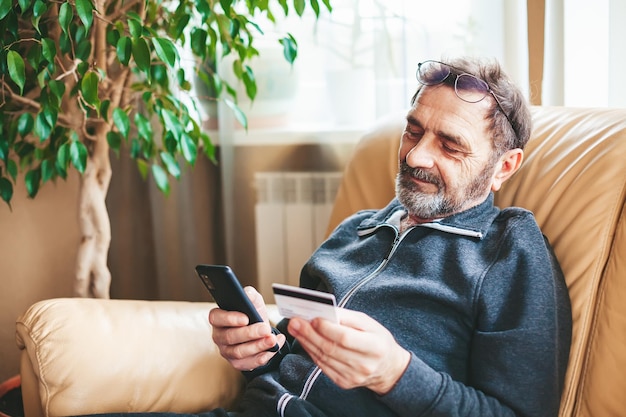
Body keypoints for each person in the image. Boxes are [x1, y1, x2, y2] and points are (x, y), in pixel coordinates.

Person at [97, 57, 573, 417]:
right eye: (413, 132)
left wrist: (396, 374)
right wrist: (257, 349)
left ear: (503, 167)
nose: (416, 157)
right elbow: (301, 363)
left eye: (449, 145)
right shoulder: (357, 230)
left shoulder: (509, 250)